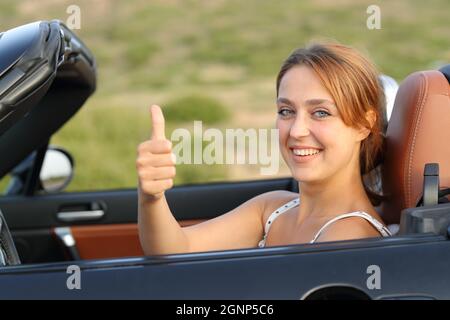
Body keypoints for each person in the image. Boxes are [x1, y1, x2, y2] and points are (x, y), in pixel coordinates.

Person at [137, 42, 391, 255]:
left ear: (363, 125)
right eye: (286, 111)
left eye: (321, 113)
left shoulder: (350, 238)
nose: (296, 130)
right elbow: (175, 250)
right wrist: (152, 197)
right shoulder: (274, 208)